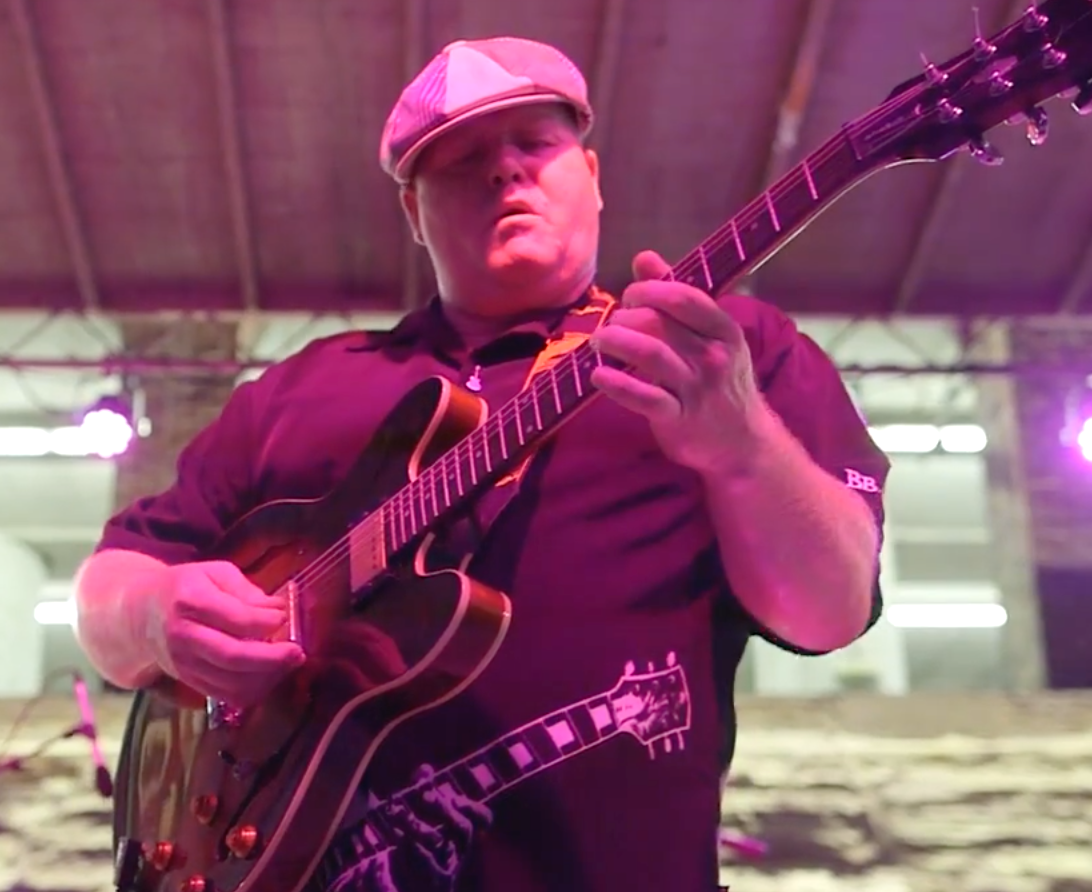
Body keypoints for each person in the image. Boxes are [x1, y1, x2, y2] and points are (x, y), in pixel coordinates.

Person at [71, 35, 889, 892]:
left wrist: (744, 448)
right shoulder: (297, 389)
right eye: (460, 161)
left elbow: (827, 614)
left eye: (534, 146)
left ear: (594, 177)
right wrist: (158, 610)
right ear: (413, 215)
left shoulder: (716, 356)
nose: (504, 173)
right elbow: (108, 601)